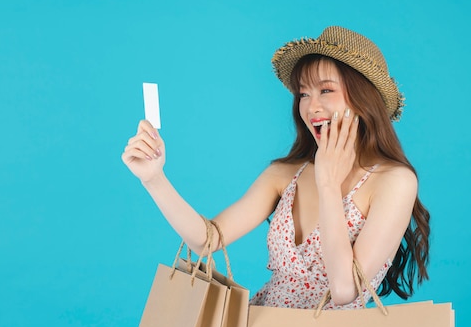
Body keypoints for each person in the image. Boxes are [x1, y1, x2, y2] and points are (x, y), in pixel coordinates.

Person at [122, 25, 430, 309]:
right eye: (303, 94)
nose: (312, 106)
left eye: (325, 90)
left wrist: (328, 184)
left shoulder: (394, 182)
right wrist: (153, 178)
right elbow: (208, 239)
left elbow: (344, 290)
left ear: (363, 99)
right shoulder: (286, 175)